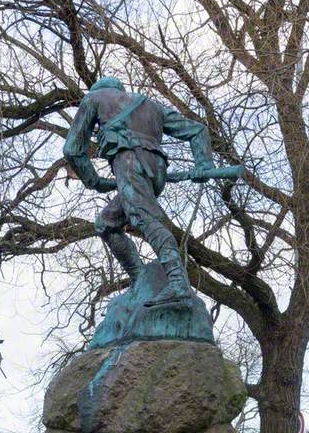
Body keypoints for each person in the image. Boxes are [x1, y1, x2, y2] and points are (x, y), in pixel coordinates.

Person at [63, 76, 214, 308]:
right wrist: (203, 164)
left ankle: (177, 283)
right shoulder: (151, 105)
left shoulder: (95, 97)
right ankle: (140, 278)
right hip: (158, 171)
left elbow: (72, 149)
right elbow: (197, 131)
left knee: (144, 219)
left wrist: (93, 181)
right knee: (106, 223)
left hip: (130, 162)